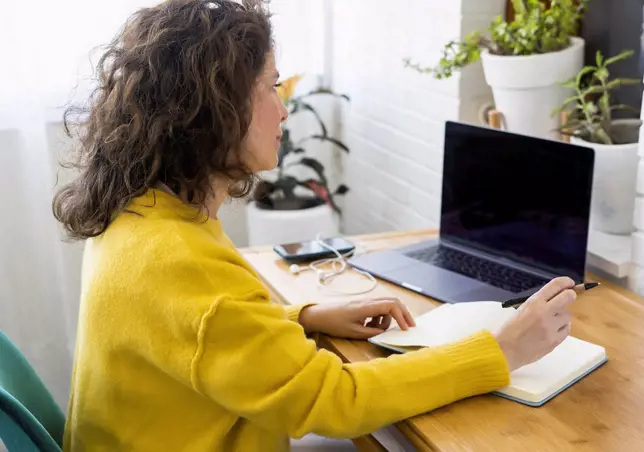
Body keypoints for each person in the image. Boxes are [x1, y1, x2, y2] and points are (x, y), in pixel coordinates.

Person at [53, 0, 576, 450]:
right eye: (269, 88)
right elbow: (334, 400)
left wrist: (305, 316)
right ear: (209, 109)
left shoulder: (144, 212)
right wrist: (501, 351)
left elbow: (201, 332)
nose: (283, 111)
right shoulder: (179, 258)